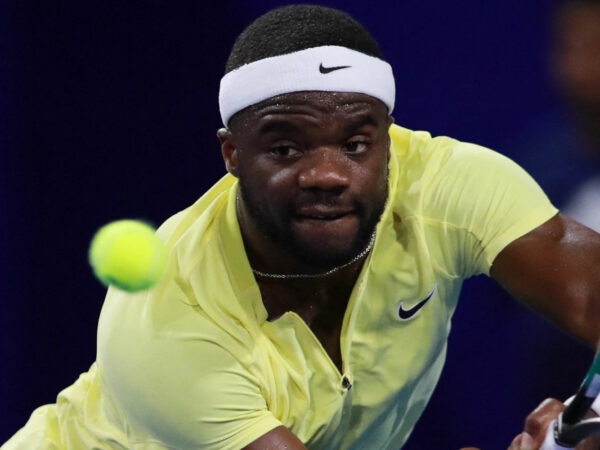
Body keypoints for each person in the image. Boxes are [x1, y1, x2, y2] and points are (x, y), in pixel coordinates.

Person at [3, 4, 600, 449]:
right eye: (286, 147)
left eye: (357, 143)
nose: (327, 174)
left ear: (389, 140)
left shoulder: (449, 186)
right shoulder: (167, 316)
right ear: (231, 154)